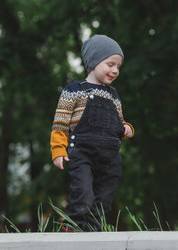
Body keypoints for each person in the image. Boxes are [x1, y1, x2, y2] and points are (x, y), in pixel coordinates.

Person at [50, 34, 134, 232]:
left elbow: (118, 122)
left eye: (118, 67)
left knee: (104, 199)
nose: (115, 70)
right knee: (84, 194)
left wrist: (127, 128)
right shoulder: (74, 91)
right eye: (110, 64)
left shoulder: (114, 95)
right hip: (82, 153)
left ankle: (93, 232)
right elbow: (60, 124)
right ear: (94, 61)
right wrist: (58, 150)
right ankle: (72, 227)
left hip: (110, 157)